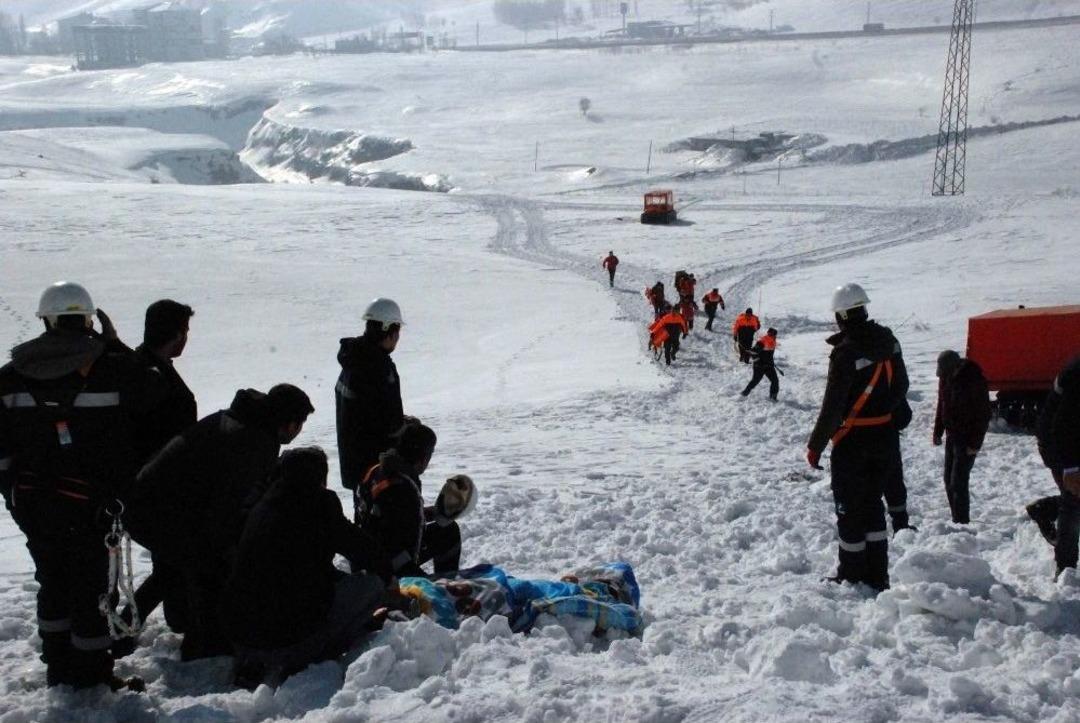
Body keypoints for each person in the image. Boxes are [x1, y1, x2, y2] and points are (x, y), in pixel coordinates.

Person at [0, 282, 157, 689]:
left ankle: (58, 664)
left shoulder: (11, 375)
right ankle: (90, 675)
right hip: (92, 502)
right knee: (91, 589)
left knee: (52, 579)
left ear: (47, 320)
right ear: (88, 319)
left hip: (33, 499)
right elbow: (153, 393)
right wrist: (116, 345)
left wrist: (12, 496)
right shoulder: (112, 366)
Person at [127, 383, 314, 661]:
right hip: (161, 508)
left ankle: (123, 632)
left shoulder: (243, 420)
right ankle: (203, 647)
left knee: (174, 568)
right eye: (299, 425)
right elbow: (224, 511)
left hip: (150, 499)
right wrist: (233, 551)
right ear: (289, 423)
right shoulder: (254, 441)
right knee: (206, 566)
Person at [223, 447, 391, 689]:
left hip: (242, 639)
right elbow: (366, 552)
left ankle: (259, 659)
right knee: (372, 586)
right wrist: (390, 578)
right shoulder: (320, 503)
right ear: (320, 478)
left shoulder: (261, 507)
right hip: (289, 642)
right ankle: (313, 656)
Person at [805, 283, 909, 592]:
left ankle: (851, 573)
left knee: (849, 508)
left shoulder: (846, 351)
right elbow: (901, 385)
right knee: (873, 504)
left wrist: (816, 445)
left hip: (852, 442)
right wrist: (886, 412)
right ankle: (877, 573)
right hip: (886, 437)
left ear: (841, 316)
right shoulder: (890, 342)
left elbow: (833, 405)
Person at [122, 299, 198, 643]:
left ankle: (178, 617)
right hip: (161, 490)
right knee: (172, 565)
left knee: (171, 564)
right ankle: (125, 630)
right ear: (177, 334)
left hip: (155, 487)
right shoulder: (151, 377)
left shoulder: (141, 366)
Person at [356, 421, 466, 578]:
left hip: (369, 555)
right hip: (385, 567)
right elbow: (393, 546)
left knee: (447, 531)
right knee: (448, 534)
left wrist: (431, 513)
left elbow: (391, 521)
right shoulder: (402, 488)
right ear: (423, 457)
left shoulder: (378, 470)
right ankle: (446, 587)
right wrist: (425, 583)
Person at [336, 298, 406, 496]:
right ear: (391, 332)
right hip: (376, 467)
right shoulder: (378, 368)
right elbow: (390, 422)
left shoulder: (353, 358)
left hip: (354, 463)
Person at [1026, 355, 1080, 576]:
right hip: (1059, 444)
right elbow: (1064, 424)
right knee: (1074, 502)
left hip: (1071, 439)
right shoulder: (1078, 374)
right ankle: (1065, 568)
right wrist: (1071, 468)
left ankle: (1046, 509)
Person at [932, 350, 992, 525]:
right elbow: (942, 404)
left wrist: (975, 443)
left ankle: (961, 522)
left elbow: (983, 414)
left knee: (958, 481)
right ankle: (956, 517)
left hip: (967, 438)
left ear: (955, 367)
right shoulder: (946, 377)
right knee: (948, 480)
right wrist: (938, 431)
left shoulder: (973, 379)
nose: (942, 377)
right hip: (952, 435)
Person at [741, 328, 780, 400]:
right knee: (755, 380)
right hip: (759, 366)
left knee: (775, 381)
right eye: (770, 334)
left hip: (769, 365)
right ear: (768, 333)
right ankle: (744, 393)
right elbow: (753, 352)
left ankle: (773, 397)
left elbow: (769, 355)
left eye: (773, 334)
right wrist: (756, 359)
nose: (772, 335)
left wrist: (771, 362)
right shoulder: (763, 341)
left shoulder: (773, 341)